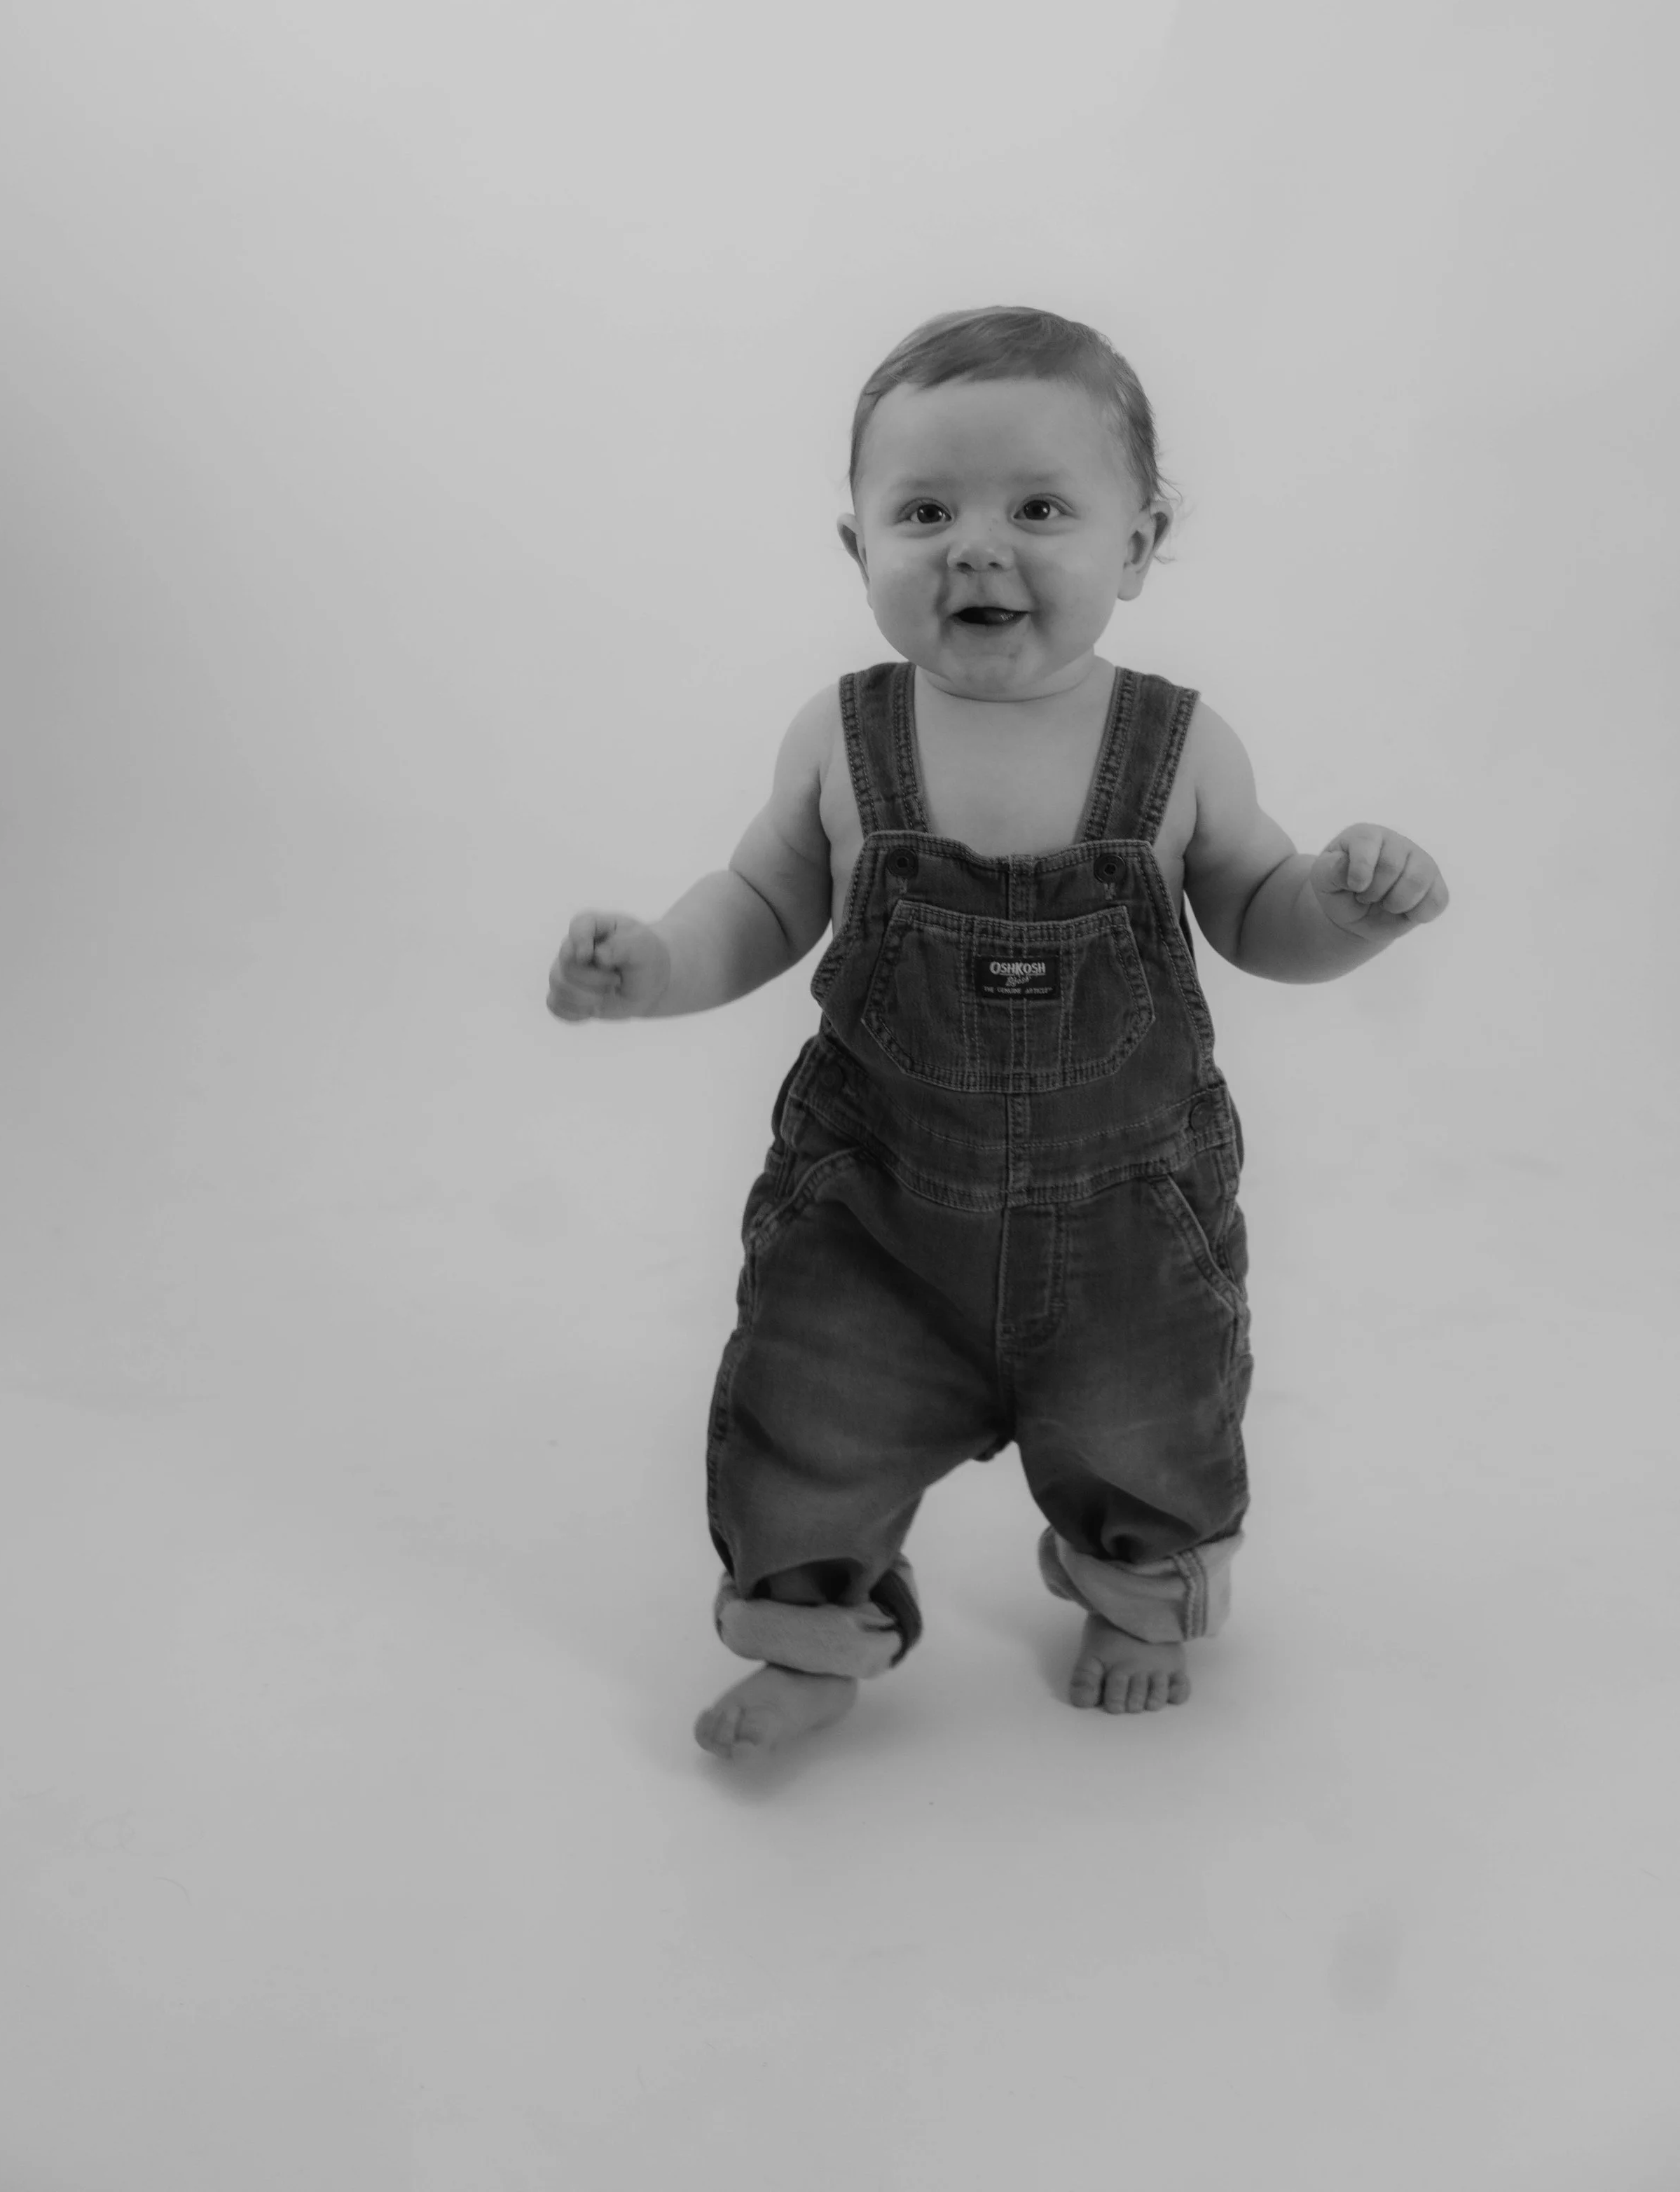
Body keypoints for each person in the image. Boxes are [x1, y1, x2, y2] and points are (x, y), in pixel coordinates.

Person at [546, 307, 1450, 1762]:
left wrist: (1348, 908)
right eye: (923, 510)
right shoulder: (841, 737)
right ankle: (810, 1629)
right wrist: (654, 965)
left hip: (1123, 1223)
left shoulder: (1178, 747)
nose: (977, 546)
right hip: (874, 1209)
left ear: (1136, 545)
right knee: (804, 1417)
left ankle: (1137, 1592)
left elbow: (1257, 915)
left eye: (1037, 506)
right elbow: (763, 900)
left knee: (1149, 1421)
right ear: (857, 550)